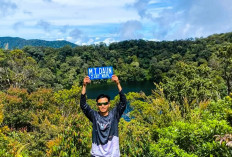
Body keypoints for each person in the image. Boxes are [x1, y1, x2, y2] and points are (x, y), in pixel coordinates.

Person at [80, 75, 127, 157]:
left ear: (109, 104)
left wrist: (118, 83)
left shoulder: (114, 115)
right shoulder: (94, 116)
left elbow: (123, 102)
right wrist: (84, 85)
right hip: (96, 154)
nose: (103, 106)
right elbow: (83, 105)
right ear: (97, 105)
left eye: (105, 103)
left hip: (113, 154)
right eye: (100, 104)